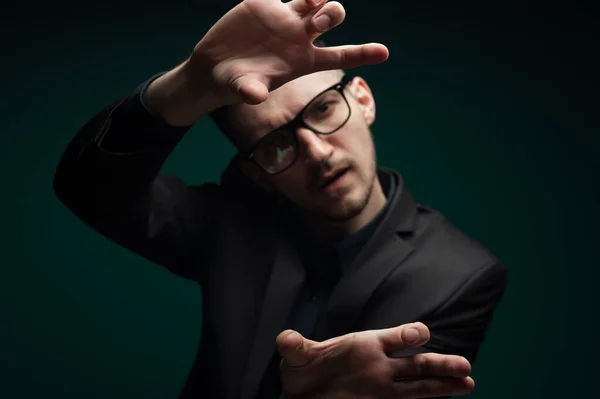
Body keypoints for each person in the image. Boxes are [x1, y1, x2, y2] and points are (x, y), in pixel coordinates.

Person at [53, 0, 507, 398]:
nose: (318, 152)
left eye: (323, 108)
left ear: (363, 100)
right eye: (275, 144)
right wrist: (190, 83)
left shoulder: (462, 276)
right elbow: (89, 187)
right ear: (256, 173)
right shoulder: (230, 220)